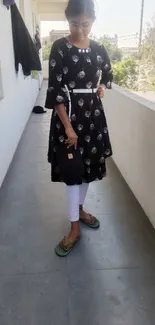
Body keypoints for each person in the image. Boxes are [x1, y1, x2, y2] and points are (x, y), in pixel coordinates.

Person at [45, 0, 113, 256]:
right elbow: (55, 90)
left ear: (93, 22)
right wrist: (68, 128)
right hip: (69, 117)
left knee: (88, 168)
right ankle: (74, 227)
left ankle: (81, 209)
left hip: (93, 117)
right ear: (67, 21)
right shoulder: (60, 48)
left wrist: (103, 86)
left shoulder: (99, 49)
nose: (80, 30)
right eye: (74, 24)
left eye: (85, 24)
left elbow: (107, 72)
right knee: (73, 171)